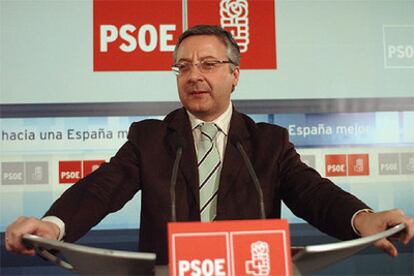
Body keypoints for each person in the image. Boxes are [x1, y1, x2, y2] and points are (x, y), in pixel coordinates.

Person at [4, 25, 414, 265]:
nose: (193, 75)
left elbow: (313, 194)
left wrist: (363, 219)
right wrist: (53, 226)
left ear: (234, 75)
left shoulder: (268, 142)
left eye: (208, 64)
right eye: (182, 66)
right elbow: (101, 189)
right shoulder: (150, 138)